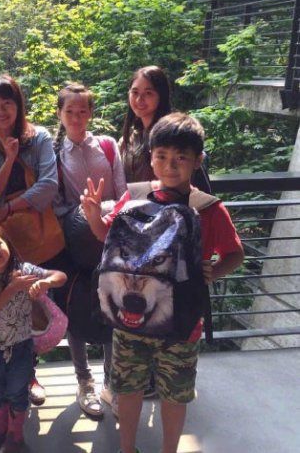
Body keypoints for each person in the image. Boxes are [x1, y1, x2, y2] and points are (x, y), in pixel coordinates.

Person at [81, 113, 244, 453]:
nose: (170, 166)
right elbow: (105, 237)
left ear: (198, 160)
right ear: (151, 157)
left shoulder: (209, 208)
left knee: (175, 395)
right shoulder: (135, 196)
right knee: (128, 390)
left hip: (182, 323)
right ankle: (127, 448)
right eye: (162, 156)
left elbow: (235, 253)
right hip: (132, 319)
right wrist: (94, 216)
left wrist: (214, 271)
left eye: (181, 158)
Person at [0, 75, 61, 406]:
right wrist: (8, 160)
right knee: (7, 306)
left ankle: (29, 373)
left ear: (18, 105)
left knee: (36, 304)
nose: (0, 110)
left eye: (7, 103)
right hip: (1, 244)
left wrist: (9, 207)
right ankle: (5, 378)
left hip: (36, 235)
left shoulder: (39, 138)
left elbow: (49, 185)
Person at [51, 83, 126, 419]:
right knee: (76, 308)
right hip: (75, 243)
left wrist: (102, 213)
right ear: (59, 114)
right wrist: (83, 215)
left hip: (111, 239)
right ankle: (84, 381)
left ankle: (112, 382)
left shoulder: (107, 146)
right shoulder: (55, 153)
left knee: (114, 308)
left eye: (83, 111)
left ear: (91, 113)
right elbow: (56, 202)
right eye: (70, 111)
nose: (76, 117)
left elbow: (123, 193)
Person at [0, 222, 67, 453]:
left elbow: (61, 276)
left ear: (8, 244)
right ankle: (1, 427)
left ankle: (15, 434)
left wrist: (46, 281)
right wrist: (13, 287)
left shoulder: (26, 269)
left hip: (21, 346)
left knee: (17, 390)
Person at [120, 65, 211, 193]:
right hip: (135, 204)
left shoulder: (174, 135)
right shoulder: (129, 139)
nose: (139, 99)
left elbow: (201, 188)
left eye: (148, 93)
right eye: (134, 92)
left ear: (161, 96)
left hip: (174, 204)